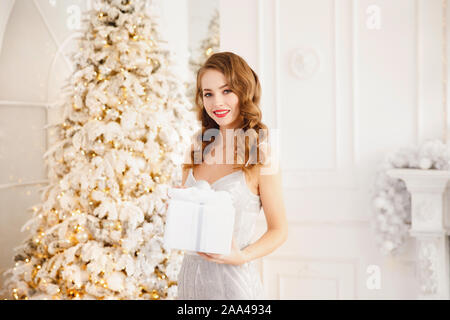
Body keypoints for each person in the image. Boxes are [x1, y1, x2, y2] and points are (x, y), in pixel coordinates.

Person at [175, 51, 287, 300]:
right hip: (190, 283)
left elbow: (279, 230)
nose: (217, 102)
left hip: (234, 285)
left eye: (227, 91)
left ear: (244, 91)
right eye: (208, 94)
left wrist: (243, 256)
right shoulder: (196, 149)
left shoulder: (261, 155)